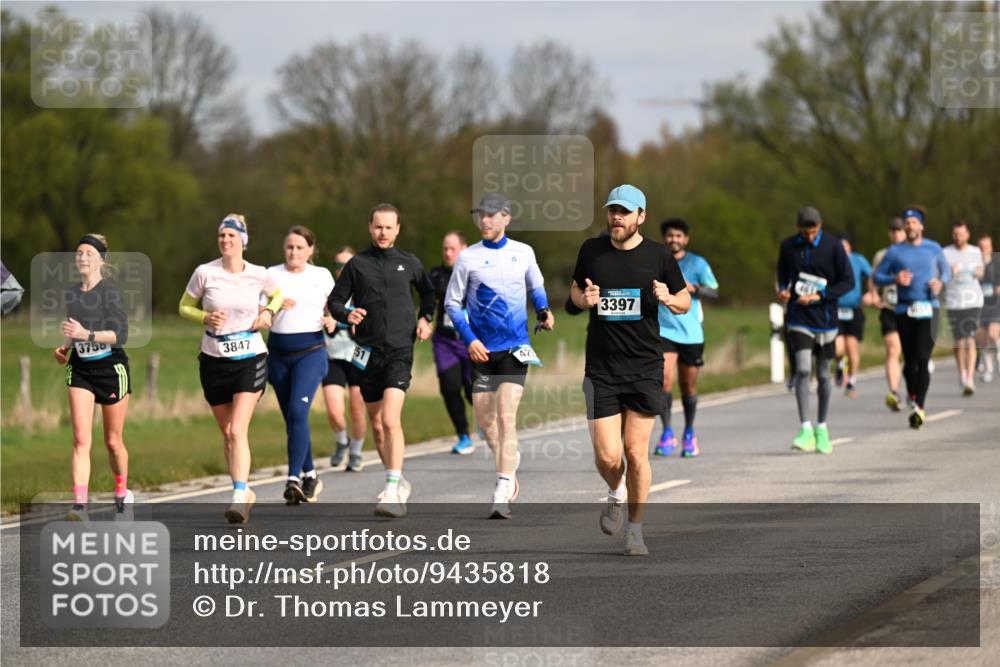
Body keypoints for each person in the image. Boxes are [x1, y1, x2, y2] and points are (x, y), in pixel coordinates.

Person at [570, 184, 689, 556]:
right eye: (612, 211)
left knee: (636, 452)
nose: (616, 217)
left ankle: (635, 530)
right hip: (602, 369)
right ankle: (615, 490)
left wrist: (669, 299)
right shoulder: (592, 250)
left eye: (624, 211)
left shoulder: (658, 255)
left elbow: (684, 298)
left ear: (641, 217)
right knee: (608, 457)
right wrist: (582, 299)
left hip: (644, 366)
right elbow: (573, 295)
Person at [445, 194, 553, 519]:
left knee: (507, 417)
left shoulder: (524, 252)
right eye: (480, 215)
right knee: (485, 422)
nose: (485, 221)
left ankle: (502, 488)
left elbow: (536, 287)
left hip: (515, 348)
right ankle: (509, 461)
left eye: (491, 215)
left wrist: (545, 311)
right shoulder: (467, 258)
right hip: (482, 351)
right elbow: (452, 304)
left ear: (506, 218)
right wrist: (470, 340)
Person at [327, 204, 435, 518]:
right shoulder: (357, 265)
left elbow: (428, 294)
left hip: (401, 351)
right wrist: (348, 313)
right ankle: (397, 479)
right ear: (370, 228)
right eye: (378, 227)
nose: (383, 232)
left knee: (390, 420)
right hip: (366, 354)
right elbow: (334, 302)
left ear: (398, 229)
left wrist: (426, 318)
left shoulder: (409, 262)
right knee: (376, 425)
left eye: (389, 227)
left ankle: (390, 488)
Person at [179, 214, 282, 524]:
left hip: (250, 355)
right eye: (222, 236)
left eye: (232, 236)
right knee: (227, 433)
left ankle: (238, 494)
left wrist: (268, 314)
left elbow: (277, 296)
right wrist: (204, 318)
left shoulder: (259, 274)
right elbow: (184, 306)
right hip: (213, 357)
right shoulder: (204, 273)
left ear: (243, 242)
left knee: (238, 429)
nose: (226, 241)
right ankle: (244, 490)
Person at [54, 234, 133, 520]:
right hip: (82, 369)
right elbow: (74, 331)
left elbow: (119, 335)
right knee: (80, 439)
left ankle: (122, 492)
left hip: (111, 368)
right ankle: (80, 506)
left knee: (112, 441)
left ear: (101, 259)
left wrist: (85, 335)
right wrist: (65, 347)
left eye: (89, 253)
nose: (83, 258)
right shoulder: (73, 293)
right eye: (79, 253)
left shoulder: (109, 292)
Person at [776, 206, 854, 454]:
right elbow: (782, 277)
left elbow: (848, 282)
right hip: (798, 318)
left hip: (826, 319)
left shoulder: (833, 246)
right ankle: (805, 428)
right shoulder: (788, 246)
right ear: (798, 228)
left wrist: (820, 296)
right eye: (805, 232)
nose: (809, 237)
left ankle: (822, 427)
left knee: (822, 374)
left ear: (820, 226)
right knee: (802, 369)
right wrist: (783, 290)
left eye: (813, 232)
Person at [266, 226, 334, 505]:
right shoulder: (271, 275)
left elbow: (338, 307)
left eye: (299, 247)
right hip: (278, 355)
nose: (294, 252)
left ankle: (293, 478)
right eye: (289, 247)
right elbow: (259, 310)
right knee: (293, 419)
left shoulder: (322, 276)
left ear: (310, 250)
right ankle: (310, 475)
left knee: (297, 411)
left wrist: (333, 321)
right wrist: (275, 307)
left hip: (311, 352)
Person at [873, 205, 951, 429]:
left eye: (914, 222)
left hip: (929, 308)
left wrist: (940, 282)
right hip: (904, 310)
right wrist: (895, 279)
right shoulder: (896, 251)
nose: (910, 226)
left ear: (921, 226)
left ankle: (920, 408)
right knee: (909, 362)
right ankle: (913, 395)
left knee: (923, 358)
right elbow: (878, 275)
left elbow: (945, 270)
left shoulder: (933, 247)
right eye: (907, 223)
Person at [654, 218, 719, 458]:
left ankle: (689, 432)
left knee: (688, 386)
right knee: (663, 381)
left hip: (691, 333)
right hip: (664, 331)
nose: (674, 239)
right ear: (664, 238)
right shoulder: (657, 260)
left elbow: (715, 291)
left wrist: (695, 289)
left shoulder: (697, 263)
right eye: (670, 235)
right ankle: (667, 431)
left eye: (679, 236)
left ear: (686, 239)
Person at [430, 231, 475, 455]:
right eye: (445, 249)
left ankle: (490, 424)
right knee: (449, 387)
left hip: (472, 340)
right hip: (445, 341)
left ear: (464, 249)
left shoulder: (475, 273)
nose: (448, 253)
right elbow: (428, 302)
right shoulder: (436, 275)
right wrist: (425, 319)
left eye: (453, 249)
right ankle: (464, 436)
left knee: (472, 390)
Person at [323, 247, 367, 472]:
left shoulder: (363, 291)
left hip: (358, 355)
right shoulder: (328, 293)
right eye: (338, 266)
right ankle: (342, 441)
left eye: (346, 265)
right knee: (334, 410)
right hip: (333, 355)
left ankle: (357, 451)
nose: (342, 270)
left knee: (357, 407)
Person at [942, 220, 985, 396]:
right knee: (959, 342)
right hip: (954, 302)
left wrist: (977, 273)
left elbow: (981, 272)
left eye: (961, 234)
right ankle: (962, 373)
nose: (958, 238)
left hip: (973, 301)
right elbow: (941, 276)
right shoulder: (945, 253)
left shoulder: (975, 251)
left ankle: (970, 379)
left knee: (970, 339)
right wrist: (950, 272)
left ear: (967, 234)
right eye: (955, 235)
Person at [871, 218, 908, 410]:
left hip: (911, 308)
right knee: (893, 349)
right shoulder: (881, 255)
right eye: (893, 230)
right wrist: (873, 294)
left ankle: (914, 389)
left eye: (900, 230)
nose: (896, 233)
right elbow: (873, 277)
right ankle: (894, 392)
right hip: (889, 308)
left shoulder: (914, 253)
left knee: (910, 353)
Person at [833, 234, 874, 397]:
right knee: (837, 348)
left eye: (845, 246)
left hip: (854, 308)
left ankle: (851, 382)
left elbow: (872, 275)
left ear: (850, 247)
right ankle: (840, 365)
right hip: (836, 309)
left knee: (852, 346)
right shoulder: (832, 260)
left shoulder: (858, 260)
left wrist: (871, 293)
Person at [975, 234, 999, 383]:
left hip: (996, 305)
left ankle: (998, 357)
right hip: (980, 306)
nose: (984, 250)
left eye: (986, 247)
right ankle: (988, 369)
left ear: (991, 248)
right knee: (982, 339)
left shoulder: (997, 264)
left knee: (993, 334)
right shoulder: (975, 266)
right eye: (981, 247)